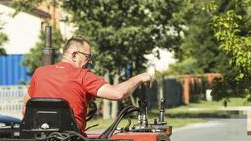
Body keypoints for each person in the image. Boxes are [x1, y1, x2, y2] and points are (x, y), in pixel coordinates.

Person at [23, 37, 154, 132]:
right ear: (74, 55)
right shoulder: (83, 76)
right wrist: (140, 77)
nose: (89, 62)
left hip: (38, 139)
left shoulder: (39, 73)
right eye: (87, 57)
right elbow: (118, 93)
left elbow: (25, 108)